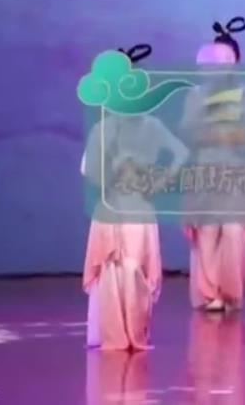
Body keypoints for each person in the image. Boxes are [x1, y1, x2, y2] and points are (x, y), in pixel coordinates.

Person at [82, 44, 188, 350]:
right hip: (113, 208)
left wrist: (160, 180)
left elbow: (181, 152)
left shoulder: (150, 126)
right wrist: (113, 171)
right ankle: (115, 334)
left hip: (137, 207)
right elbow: (91, 172)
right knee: (113, 269)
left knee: (134, 269)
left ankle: (133, 332)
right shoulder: (103, 129)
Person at [180, 17, 245, 312]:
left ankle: (232, 293)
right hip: (206, 168)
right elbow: (187, 132)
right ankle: (209, 293)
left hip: (238, 169)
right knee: (208, 232)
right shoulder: (196, 95)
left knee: (234, 232)